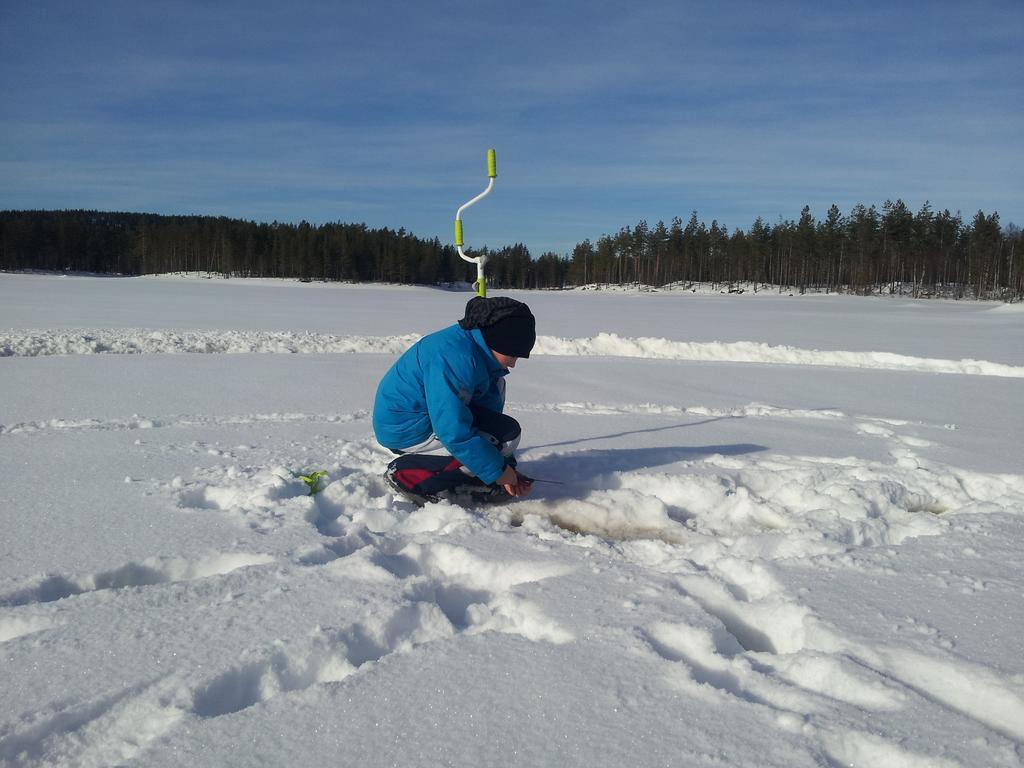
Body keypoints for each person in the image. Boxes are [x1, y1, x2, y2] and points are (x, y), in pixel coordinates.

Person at [373, 296, 536, 506]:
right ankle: (407, 475)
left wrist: (504, 467)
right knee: (478, 448)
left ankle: (471, 470)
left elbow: (487, 418)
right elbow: (452, 431)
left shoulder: (480, 352)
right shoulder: (455, 359)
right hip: (407, 430)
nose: (513, 364)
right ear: (498, 341)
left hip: (433, 418)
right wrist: (496, 471)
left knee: (506, 436)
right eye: (513, 355)